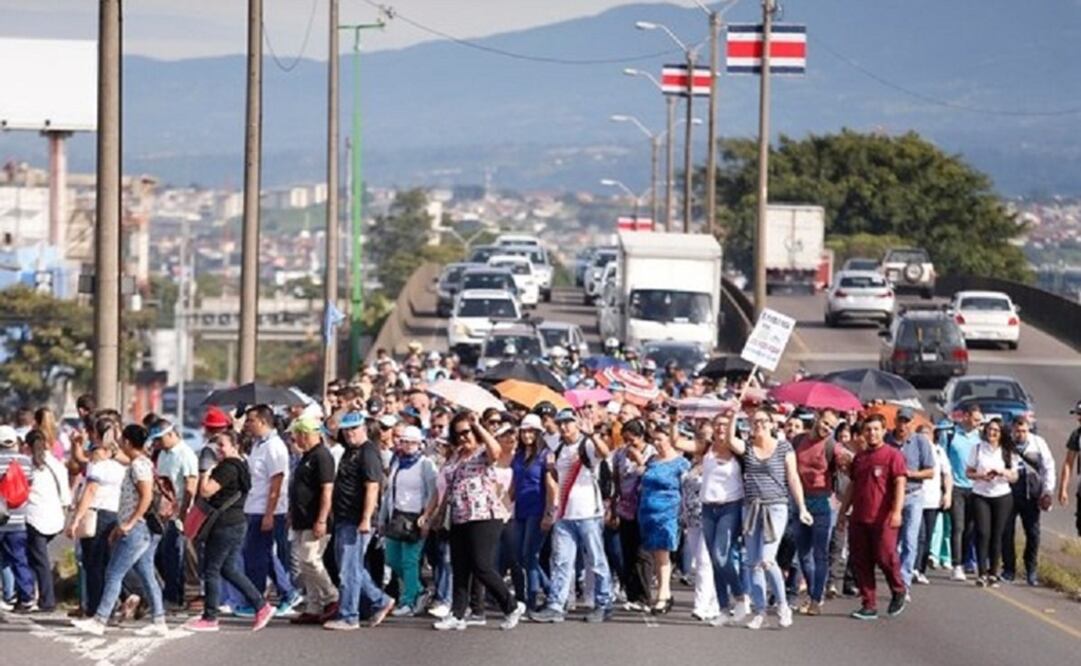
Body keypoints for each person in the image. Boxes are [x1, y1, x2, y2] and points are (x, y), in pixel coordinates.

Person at [433, 412, 525, 631]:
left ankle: (511, 606)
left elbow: (496, 451)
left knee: (481, 565)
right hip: (459, 515)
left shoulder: (483, 451)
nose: (463, 437)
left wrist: (478, 426)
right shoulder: (456, 456)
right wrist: (438, 513)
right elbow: (449, 487)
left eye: (466, 432)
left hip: (484, 514)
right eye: (458, 434)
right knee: (460, 567)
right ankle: (457, 614)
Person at [72, 425, 167, 636]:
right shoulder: (138, 463)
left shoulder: (139, 465)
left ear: (127, 442)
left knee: (113, 573)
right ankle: (159, 620)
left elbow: (146, 496)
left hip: (137, 529)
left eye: (122, 439)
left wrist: (130, 523)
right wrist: (121, 525)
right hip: (135, 527)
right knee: (146, 575)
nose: (120, 443)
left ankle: (100, 620)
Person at [727, 407, 813, 630]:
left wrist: (802, 507)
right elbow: (730, 441)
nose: (759, 425)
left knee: (767, 559)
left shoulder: (784, 447)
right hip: (751, 508)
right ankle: (760, 612)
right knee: (753, 562)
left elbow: (793, 478)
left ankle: (783, 606)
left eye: (763, 421)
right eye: (755, 422)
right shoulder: (747, 447)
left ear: (772, 424)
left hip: (776, 507)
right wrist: (732, 415)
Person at [184, 430, 274, 632]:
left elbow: (206, 491)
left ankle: (210, 617)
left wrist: (205, 471)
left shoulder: (228, 467)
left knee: (212, 569)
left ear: (235, 446)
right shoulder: (242, 465)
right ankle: (261, 606)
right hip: (236, 522)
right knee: (229, 569)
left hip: (225, 524)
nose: (218, 449)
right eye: (216, 445)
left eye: (222, 445)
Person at [531, 409, 613, 624]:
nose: (564, 426)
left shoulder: (586, 445)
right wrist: (552, 509)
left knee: (596, 561)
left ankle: (604, 604)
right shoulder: (558, 449)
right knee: (561, 561)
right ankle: (556, 605)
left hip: (589, 514)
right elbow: (556, 479)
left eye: (568, 422)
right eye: (561, 423)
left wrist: (592, 434)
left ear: (577, 424)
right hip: (564, 515)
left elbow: (605, 453)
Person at [324, 412, 395, 631]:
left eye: (354, 428)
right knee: (349, 567)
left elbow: (372, 487)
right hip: (344, 517)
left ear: (363, 428)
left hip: (357, 519)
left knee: (349, 570)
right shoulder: (350, 451)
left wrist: (365, 519)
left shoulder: (368, 452)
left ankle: (349, 616)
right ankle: (380, 600)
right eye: (346, 429)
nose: (349, 433)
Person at [841, 415, 907, 620]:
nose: (872, 433)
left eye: (876, 429)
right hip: (859, 517)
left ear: (884, 431)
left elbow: (900, 483)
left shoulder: (893, 455)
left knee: (885, 557)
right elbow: (852, 486)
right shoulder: (860, 458)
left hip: (883, 518)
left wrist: (897, 511)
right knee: (861, 560)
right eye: (868, 430)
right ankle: (868, 604)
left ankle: (898, 589)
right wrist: (843, 512)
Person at [240, 405, 299, 614]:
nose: (247, 425)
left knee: (255, 556)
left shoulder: (275, 446)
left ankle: (258, 601)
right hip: (253, 505)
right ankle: (286, 592)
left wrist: (269, 513)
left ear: (263, 422)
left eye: (250, 420)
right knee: (261, 554)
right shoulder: (258, 444)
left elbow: (277, 481)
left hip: (267, 509)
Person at [65, 417, 125, 616]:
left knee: (93, 564)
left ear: (95, 435)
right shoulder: (120, 461)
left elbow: (90, 491)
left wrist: (76, 519)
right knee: (107, 563)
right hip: (114, 513)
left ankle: (96, 609)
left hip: (96, 514)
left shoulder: (97, 463)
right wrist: (77, 446)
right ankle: (109, 606)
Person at [791, 409, 846, 615]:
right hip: (799, 501)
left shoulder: (831, 445)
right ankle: (813, 591)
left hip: (823, 502)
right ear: (816, 419)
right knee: (803, 554)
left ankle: (815, 599)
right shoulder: (798, 441)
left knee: (820, 553)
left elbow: (846, 459)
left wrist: (847, 460)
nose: (827, 429)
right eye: (825, 423)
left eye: (832, 427)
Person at [286, 415, 339, 625]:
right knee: (303, 564)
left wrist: (322, 519)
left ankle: (331, 596)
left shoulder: (322, 456)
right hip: (301, 517)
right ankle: (313, 606)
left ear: (305, 434)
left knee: (310, 559)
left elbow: (327, 489)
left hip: (315, 518)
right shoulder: (306, 456)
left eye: (297, 436)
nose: (295, 440)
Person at [381, 425, 438, 616]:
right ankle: (419, 590)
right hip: (397, 515)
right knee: (392, 558)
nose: (407, 446)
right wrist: (382, 518)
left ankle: (409, 601)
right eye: (404, 441)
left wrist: (427, 517)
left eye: (411, 442)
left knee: (410, 561)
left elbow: (434, 492)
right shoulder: (397, 461)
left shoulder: (426, 464)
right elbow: (389, 492)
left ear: (419, 444)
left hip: (416, 517)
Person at [701, 412, 749, 627]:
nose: (720, 428)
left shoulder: (738, 447)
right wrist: (674, 421)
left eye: (725, 424)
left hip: (730, 506)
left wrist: (734, 416)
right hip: (707, 507)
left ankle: (740, 597)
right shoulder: (707, 448)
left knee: (721, 557)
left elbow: (733, 441)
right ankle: (722, 608)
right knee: (715, 560)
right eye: (717, 424)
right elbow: (677, 442)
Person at [637, 424, 691, 615]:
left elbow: (686, 489)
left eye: (660, 439)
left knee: (663, 553)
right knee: (654, 554)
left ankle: (663, 595)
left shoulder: (681, 463)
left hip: (668, 512)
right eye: (655, 440)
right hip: (647, 510)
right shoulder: (652, 460)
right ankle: (663, 592)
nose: (657, 443)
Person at [884, 407, 935, 591]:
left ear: (912, 423)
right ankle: (893, 574)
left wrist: (910, 473)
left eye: (907, 421)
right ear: (895, 421)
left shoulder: (920, 441)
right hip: (890, 496)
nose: (903, 425)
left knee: (910, 540)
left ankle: (903, 584)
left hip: (913, 494)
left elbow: (930, 471)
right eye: (901, 420)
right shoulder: (887, 440)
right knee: (889, 542)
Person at [151, 419, 199, 609]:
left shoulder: (186, 454)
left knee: (173, 555)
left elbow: (190, 486)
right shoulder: (162, 454)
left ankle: (174, 596)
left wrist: (183, 514)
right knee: (160, 555)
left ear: (171, 434)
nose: (157, 443)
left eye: (160, 439)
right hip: (163, 511)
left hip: (179, 512)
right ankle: (172, 592)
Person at [1002, 416, 1055, 586]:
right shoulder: (1005, 444)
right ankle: (1009, 569)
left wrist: (1047, 491)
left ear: (1029, 430)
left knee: (1033, 534)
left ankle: (1031, 570)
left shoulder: (1038, 443)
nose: (1020, 434)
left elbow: (1048, 467)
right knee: (1007, 532)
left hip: (1031, 495)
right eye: (1017, 431)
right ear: (1012, 430)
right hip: (1008, 494)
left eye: (1024, 431)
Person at [23, 429, 71, 612]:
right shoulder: (57, 465)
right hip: (56, 518)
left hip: (34, 518)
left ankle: (46, 600)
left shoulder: (28, 466)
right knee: (36, 557)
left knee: (39, 559)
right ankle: (35, 595)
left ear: (27, 446)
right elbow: (66, 497)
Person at [966, 418, 1018, 587]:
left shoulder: (1007, 451)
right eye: (990, 429)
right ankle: (981, 573)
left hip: (1002, 495)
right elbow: (968, 472)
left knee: (997, 535)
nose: (992, 433)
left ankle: (993, 572)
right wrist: (981, 476)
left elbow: (1015, 476)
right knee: (983, 533)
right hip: (981, 494)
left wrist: (1001, 472)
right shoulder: (977, 448)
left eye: (996, 430)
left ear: (1001, 433)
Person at [610, 418, 654, 611]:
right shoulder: (619, 454)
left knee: (642, 553)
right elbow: (616, 481)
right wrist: (613, 507)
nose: (629, 444)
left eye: (632, 440)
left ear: (641, 437)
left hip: (645, 506)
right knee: (627, 551)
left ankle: (645, 596)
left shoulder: (652, 453)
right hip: (625, 507)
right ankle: (631, 594)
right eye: (625, 439)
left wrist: (639, 460)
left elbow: (652, 477)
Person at [509, 414, 550, 611]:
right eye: (524, 431)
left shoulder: (545, 455)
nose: (527, 435)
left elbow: (551, 486)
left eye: (531, 431)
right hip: (520, 509)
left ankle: (532, 599)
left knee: (529, 554)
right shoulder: (517, 455)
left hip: (538, 508)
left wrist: (549, 513)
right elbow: (513, 485)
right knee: (520, 555)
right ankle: (551, 590)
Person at [943, 404, 983, 581]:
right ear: (966, 417)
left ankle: (967, 560)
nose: (977, 423)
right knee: (958, 527)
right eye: (975, 420)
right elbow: (943, 461)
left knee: (970, 528)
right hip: (956, 487)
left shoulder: (980, 438)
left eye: (980, 420)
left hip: (976, 488)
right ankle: (956, 564)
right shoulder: (951, 435)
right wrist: (945, 488)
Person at [0, 426, 35, 613]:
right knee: (19, 558)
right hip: (18, 517)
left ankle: (8, 594)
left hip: (0, 515)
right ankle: (26, 596)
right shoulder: (25, 461)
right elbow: (29, 484)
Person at [914, 429, 952, 586]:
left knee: (928, 536)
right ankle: (913, 568)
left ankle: (921, 569)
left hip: (932, 501)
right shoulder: (912, 450)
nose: (924, 437)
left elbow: (947, 474)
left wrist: (947, 494)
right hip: (915, 499)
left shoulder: (938, 451)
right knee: (918, 535)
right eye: (921, 434)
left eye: (927, 434)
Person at [1059, 401, 1081, 536]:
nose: (1079, 418)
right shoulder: (1077, 435)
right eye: (1078, 415)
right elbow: (1068, 463)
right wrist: (1063, 489)